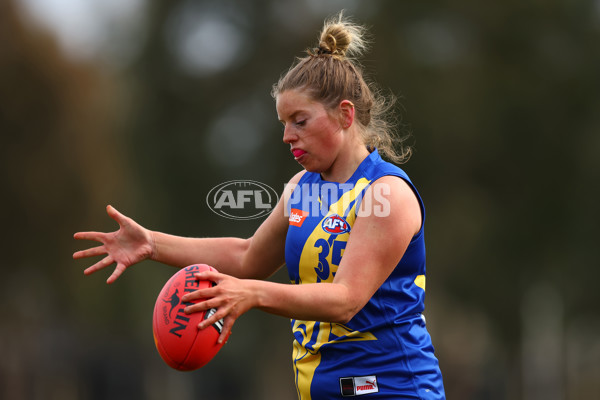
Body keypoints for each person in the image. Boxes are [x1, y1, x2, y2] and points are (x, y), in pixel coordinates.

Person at [73, 13, 446, 399]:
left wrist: (251, 294)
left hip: (393, 390)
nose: (287, 136)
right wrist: (152, 243)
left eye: (299, 121)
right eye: (284, 123)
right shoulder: (303, 188)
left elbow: (345, 299)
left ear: (345, 115)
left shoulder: (386, 195)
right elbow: (249, 255)